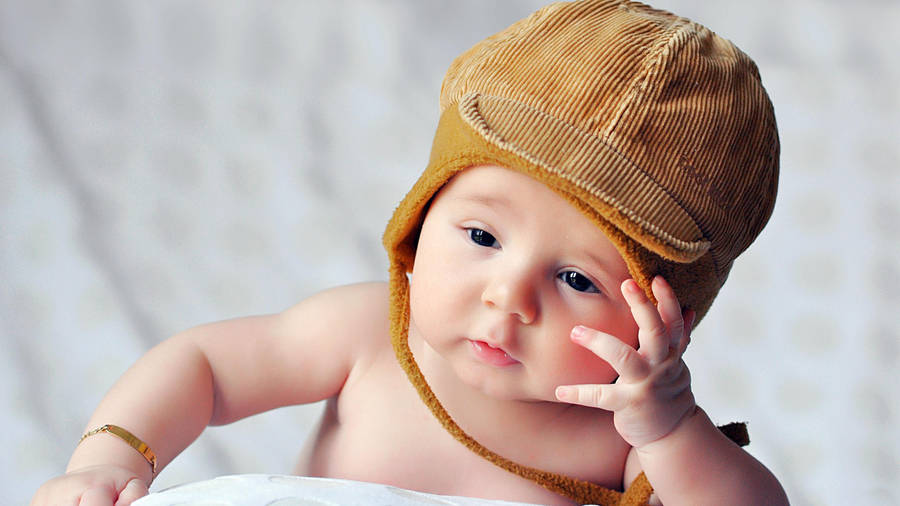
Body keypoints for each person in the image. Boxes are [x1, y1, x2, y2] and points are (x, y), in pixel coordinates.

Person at [32, 1, 789, 505]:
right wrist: (110, 460)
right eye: (483, 237)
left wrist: (670, 428)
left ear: (669, 325)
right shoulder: (370, 335)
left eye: (574, 279)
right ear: (420, 218)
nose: (508, 298)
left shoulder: (619, 437)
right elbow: (204, 365)